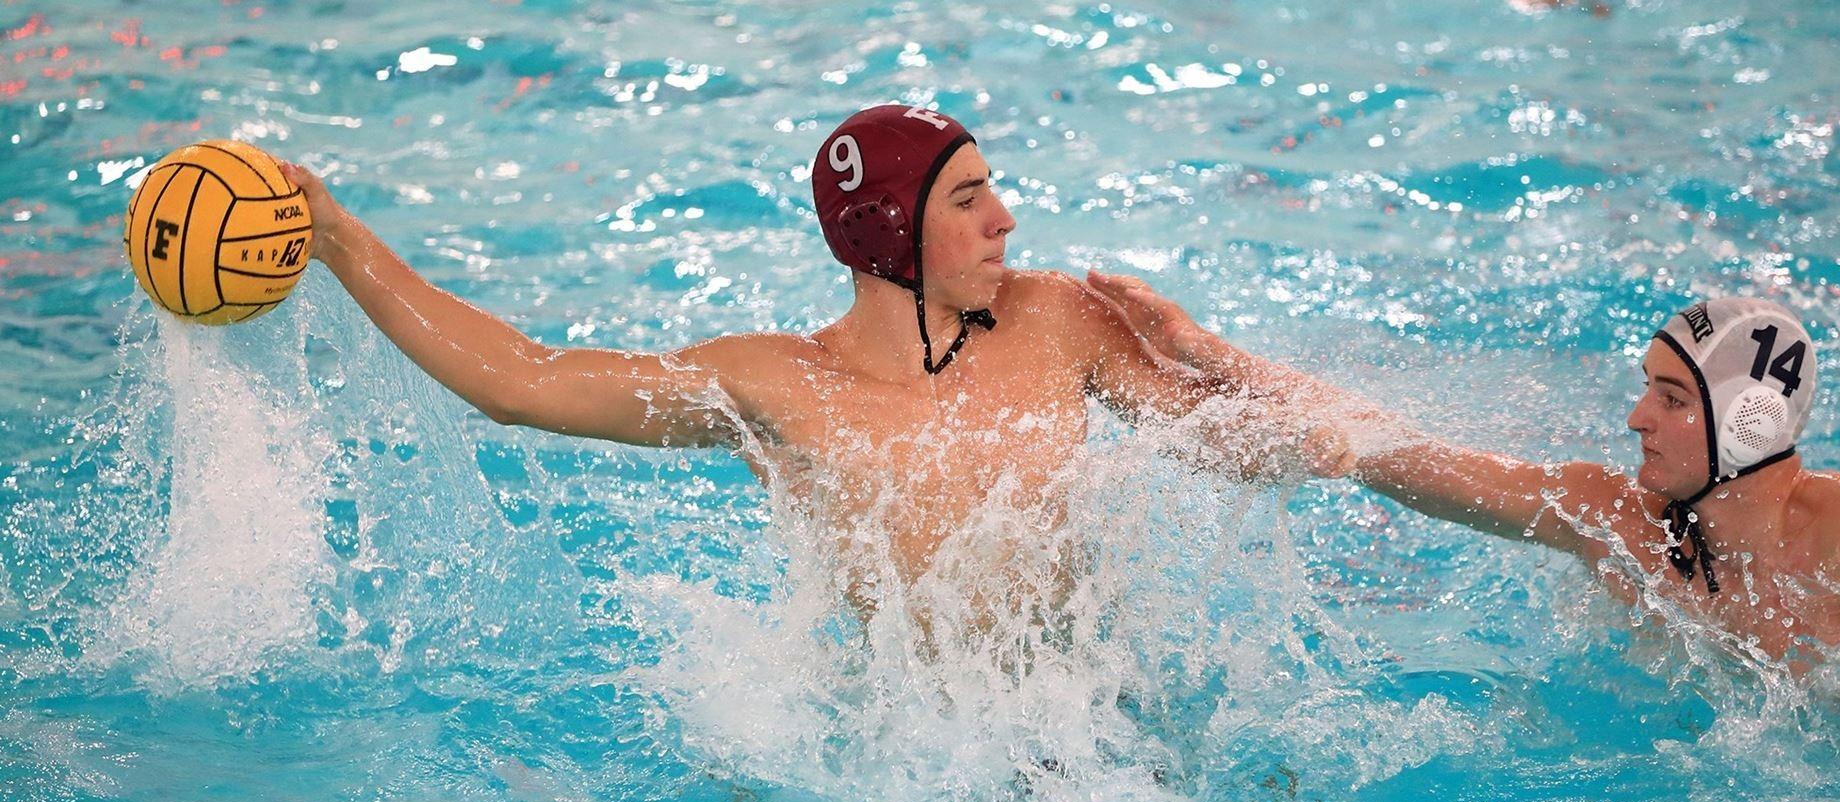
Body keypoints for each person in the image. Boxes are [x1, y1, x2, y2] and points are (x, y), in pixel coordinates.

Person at [278, 105, 1351, 623]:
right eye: (968, 198)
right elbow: (524, 382)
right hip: (915, 772)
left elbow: (1245, 445)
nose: (1006, 220)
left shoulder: (1057, 321)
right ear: (891, 231)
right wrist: (340, 243)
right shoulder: (775, 387)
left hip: (1093, 742)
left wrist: (1232, 372)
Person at [1087, 272, 1840, 659]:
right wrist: (1204, 350)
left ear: (1749, 425)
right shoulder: (1615, 519)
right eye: (1647, 388)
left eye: (1671, 399)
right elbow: (1405, 450)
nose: (1637, 417)